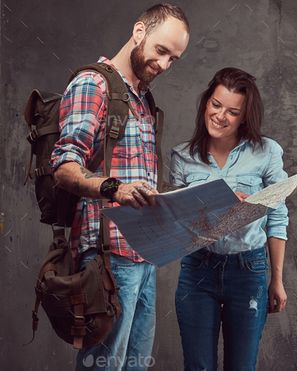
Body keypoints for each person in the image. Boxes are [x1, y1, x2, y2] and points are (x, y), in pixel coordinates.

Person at [50, 4, 189, 370]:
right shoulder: (93, 84)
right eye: (161, 51)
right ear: (139, 31)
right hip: (107, 257)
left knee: (135, 366)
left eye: (174, 59)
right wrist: (116, 189)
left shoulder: (142, 99)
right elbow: (64, 167)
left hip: (144, 256)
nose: (164, 65)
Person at [170, 67, 289, 371]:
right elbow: (175, 223)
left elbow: (277, 218)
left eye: (233, 112)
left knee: (242, 366)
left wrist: (276, 279)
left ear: (245, 117)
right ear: (206, 103)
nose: (220, 116)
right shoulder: (182, 156)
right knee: (198, 366)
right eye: (216, 105)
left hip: (248, 271)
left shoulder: (267, 152)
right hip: (198, 268)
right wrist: (208, 208)